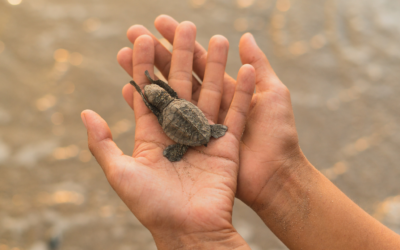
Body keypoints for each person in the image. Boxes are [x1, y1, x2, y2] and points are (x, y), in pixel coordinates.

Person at [80, 15, 400, 249]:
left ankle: (183, 138)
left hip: (187, 125)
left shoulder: (162, 111)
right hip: (201, 124)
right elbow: (164, 95)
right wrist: (280, 177)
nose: (157, 93)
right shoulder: (174, 100)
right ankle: (200, 134)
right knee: (176, 109)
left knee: (161, 108)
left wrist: (193, 239)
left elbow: (156, 104)